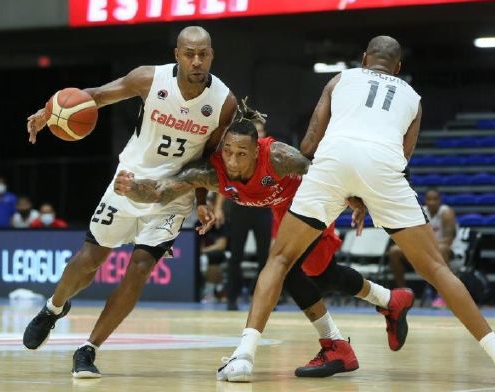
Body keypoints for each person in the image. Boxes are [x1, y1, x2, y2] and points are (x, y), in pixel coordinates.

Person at [217, 36, 495, 385]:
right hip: (383, 168)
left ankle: (243, 359)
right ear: (398, 68)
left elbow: (309, 144)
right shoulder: (413, 99)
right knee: (436, 269)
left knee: (279, 261)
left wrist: (342, 189)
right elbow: (403, 159)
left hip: (333, 162)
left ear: (364, 58)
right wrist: (366, 195)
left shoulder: (340, 80)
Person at [114, 101, 414, 378]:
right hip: (282, 213)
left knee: (286, 270)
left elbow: (320, 169)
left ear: (257, 152)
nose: (232, 160)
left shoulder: (279, 157)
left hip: (310, 202)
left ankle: (323, 346)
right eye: (228, 151)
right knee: (321, 276)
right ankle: (390, 300)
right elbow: (160, 190)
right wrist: (131, 188)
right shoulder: (212, 173)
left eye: (241, 154)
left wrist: (355, 199)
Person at [21, 26, 237, 379]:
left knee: (139, 268)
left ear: (212, 55)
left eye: (203, 54)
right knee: (89, 260)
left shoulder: (224, 101)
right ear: (177, 55)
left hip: (172, 196)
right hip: (128, 182)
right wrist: (51, 111)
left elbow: (209, 155)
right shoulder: (148, 79)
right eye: (189, 53)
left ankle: (88, 348)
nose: (196, 61)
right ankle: (53, 308)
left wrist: (201, 198)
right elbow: (95, 96)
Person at [221, 118, 272, 311]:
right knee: (236, 256)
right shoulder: (238, 153)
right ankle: (231, 297)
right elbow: (224, 181)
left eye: (260, 132)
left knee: (264, 258)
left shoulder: (270, 155)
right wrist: (218, 207)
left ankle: (263, 301)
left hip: (263, 210)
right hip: (240, 209)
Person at [387, 187, 458, 308]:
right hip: (426, 249)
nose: (432, 202)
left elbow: (449, 240)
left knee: (442, 249)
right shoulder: (421, 212)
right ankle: (403, 293)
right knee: (395, 251)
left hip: (448, 250)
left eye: (435, 199)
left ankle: (443, 295)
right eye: (429, 199)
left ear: (440, 200)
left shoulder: (446, 213)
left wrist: (426, 247)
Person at [197, 193, 230, 302]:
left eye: (210, 203)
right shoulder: (198, 223)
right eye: (207, 203)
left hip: (216, 253)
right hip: (201, 253)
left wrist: (205, 251)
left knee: (213, 257)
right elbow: (196, 243)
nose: (209, 206)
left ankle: (210, 291)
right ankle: (206, 290)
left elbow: (221, 245)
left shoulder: (220, 223)